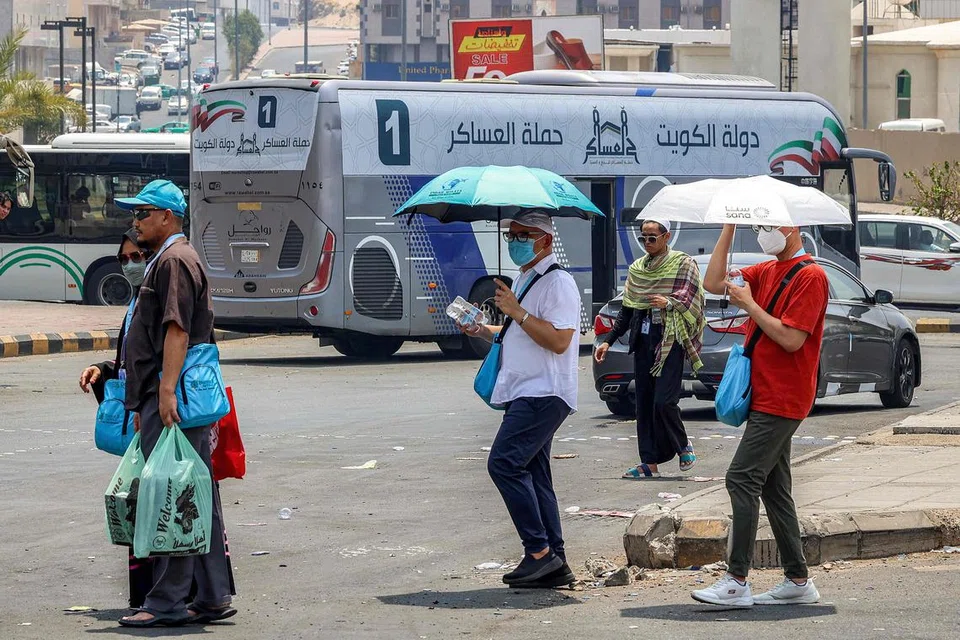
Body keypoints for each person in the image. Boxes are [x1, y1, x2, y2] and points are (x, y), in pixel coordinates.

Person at [113, 180, 236, 627]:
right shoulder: (167, 259)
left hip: (171, 400)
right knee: (193, 492)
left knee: (170, 495)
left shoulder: (176, 260)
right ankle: (211, 595)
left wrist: (165, 392)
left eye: (143, 214)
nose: (137, 222)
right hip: (169, 396)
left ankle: (165, 601)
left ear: (167, 216)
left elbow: (177, 331)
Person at [692, 223, 828, 607]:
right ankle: (798, 581)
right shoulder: (767, 270)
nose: (763, 233)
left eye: (770, 226)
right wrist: (728, 227)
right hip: (764, 393)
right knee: (773, 487)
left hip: (784, 397)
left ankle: (737, 580)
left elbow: (791, 338)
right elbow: (714, 282)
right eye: (758, 226)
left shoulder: (812, 277)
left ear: (793, 228)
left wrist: (751, 305)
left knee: (741, 478)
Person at [461, 211, 582, 588]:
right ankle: (554, 560)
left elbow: (560, 340)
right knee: (533, 471)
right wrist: (482, 328)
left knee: (504, 464)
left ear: (545, 239)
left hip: (543, 391)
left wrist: (518, 311)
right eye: (510, 234)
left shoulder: (558, 282)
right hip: (525, 389)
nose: (514, 240)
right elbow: (519, 332)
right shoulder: (525, 278)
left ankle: (539, 552)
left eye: (522, 234)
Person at [594, 217, 705, 479]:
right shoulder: (637, 270)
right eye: (642, 237)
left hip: (670, 340)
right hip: (643, 340)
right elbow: (627, 309)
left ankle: (682, 445)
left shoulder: (683, 264)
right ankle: (649, 462)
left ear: (667, 237)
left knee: (664, 401)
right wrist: (608, 340)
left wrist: (668, 302)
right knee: (643, 404)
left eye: (652, 237)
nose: (647, 242)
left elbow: (692, 300)